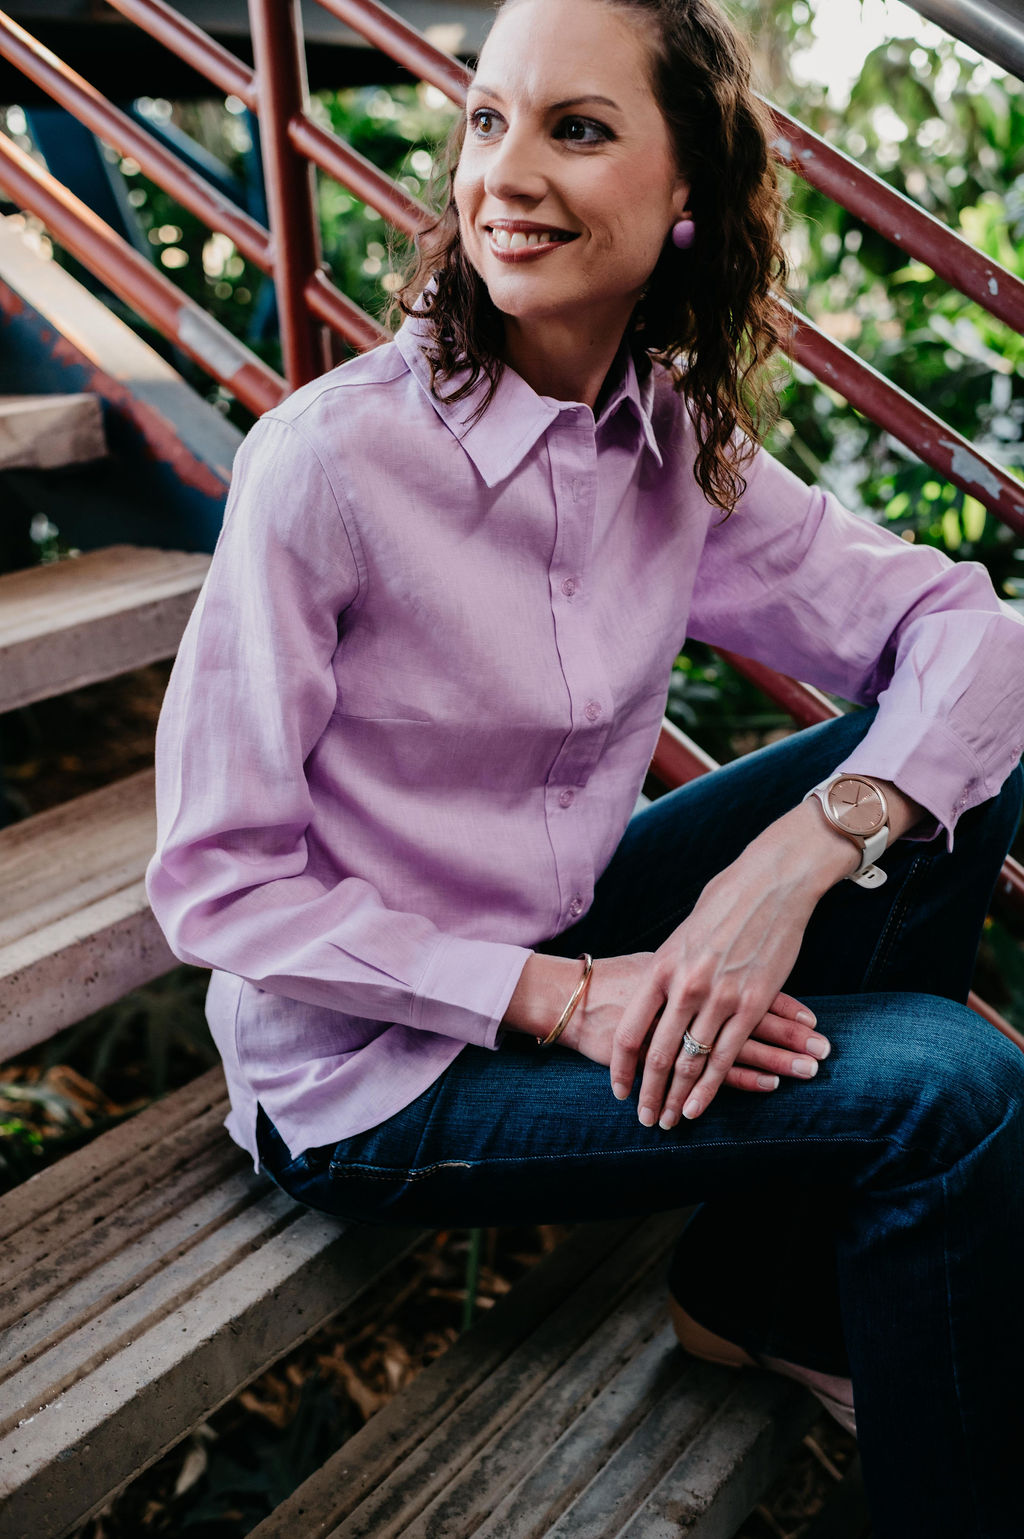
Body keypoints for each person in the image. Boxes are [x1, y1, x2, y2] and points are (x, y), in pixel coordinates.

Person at [145, 0, 1024, 1531]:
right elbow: (218, 886)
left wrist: (797, 855)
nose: (506, 174)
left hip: (564, 924)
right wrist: (556, 995)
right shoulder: (328, 465)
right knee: (956, 1091)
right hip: (372, 1067)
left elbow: (971, 632)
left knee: (950, 774)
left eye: (579, 126)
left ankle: (762, 1294)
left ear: (689, 194)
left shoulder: (665, 442)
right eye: (488, 120)